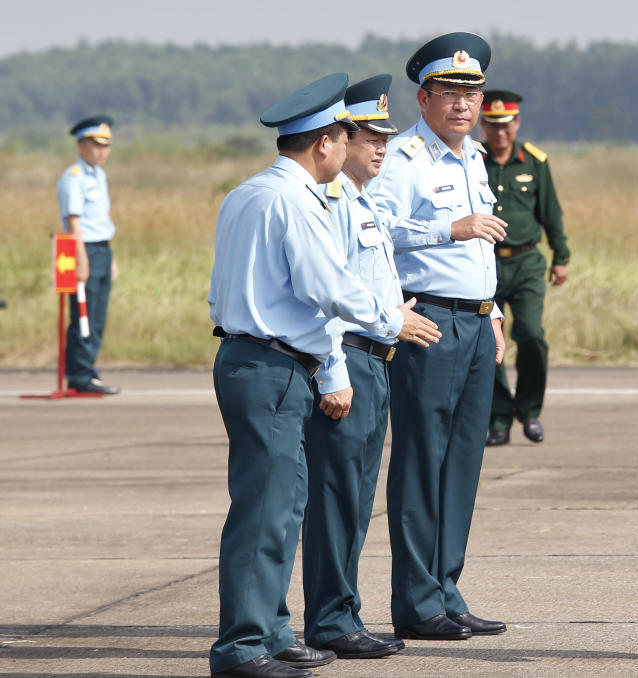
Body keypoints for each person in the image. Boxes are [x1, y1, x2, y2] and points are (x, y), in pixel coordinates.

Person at [208, 72, 438, 678]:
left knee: (283, 508)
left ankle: (274, 631)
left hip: (255, 359)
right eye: (344, 136)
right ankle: (242, 647)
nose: (350, 147)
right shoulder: (296, 200)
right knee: (263, 512)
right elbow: (326, 287)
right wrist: (391, 319)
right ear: (324, 143)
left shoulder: (248, 193)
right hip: (273, 365)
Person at [368, 31, 510, 641]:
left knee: (464, 462)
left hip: (476, 321)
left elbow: (484, 247)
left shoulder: (474, 156)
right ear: (423, 98)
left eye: (470, 92)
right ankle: (417, 601)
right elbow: (376, 226)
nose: (463, 104)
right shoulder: (403, 158)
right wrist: (447, 229)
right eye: (449, 92)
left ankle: (447, 588)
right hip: (430, 321)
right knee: (424, 460)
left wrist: (495, 309)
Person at [301, 74, 440, 660]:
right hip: (350, 362)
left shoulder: (362, 201)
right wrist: (333, 372)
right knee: (337, 498)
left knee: (357, 497)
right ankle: (332, 620)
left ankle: (343, 612)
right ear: (339, 138)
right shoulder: (332, 203)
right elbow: (322, 297)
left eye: (385, 136)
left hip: (376, 359)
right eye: (367, 136)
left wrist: (392, 311)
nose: (381, 146)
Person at [479, 89, 570, 446]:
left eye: (505, 125)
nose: (499, 132)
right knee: (490, 342)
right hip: (485, 264)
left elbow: (551, 212)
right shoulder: (473, 160)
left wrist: (561, 256)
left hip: (528, 262)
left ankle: (530, 411)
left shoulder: (534, 161)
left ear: (517, 124)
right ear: (482, 126)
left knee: (531, 335)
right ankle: (499, 417)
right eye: (491, 125)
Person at [57, 115, 120, 395]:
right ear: (81, 146)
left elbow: (101, 220)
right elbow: (74, 221)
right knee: (83, 314)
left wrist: (111, 256)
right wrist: (81, 259)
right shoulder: (74, 177)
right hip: (84, 250)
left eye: (105, 146)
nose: (102, 151)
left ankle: (88, 371)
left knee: (97, 316)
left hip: (102, 248)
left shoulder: (99, 175)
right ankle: (80, 375)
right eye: (96, 145)